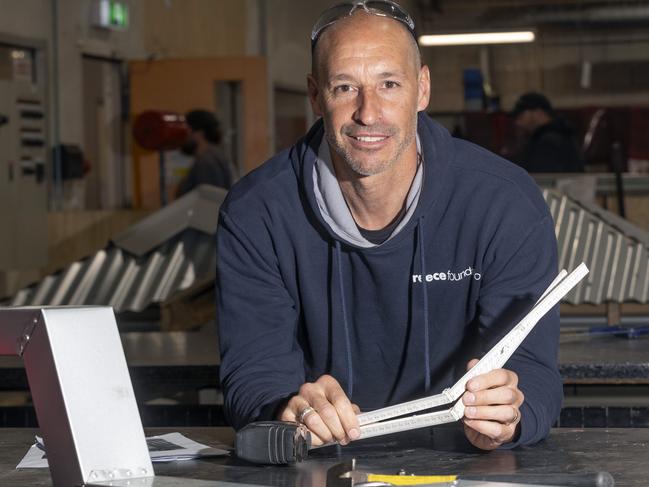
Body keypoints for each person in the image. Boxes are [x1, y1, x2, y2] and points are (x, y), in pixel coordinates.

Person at [217, 0, 562, 452]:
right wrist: (287, 411)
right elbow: (253, 376)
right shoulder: (256, 213)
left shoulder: (503, 202)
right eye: (344, 87)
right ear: (316, 95)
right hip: (323, 464)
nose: (368, 112)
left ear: (422, 89)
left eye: (389, 84)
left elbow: (534, 371)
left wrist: (509, 417)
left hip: (466, 462)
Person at [509, 92, 583, 173]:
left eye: (520, 116)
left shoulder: (550, 142)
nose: (518, 123)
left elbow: (543, 177)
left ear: (538, 112)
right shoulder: (559, 135)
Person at [175, 109, 236, 197]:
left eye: (186, 132)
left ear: (199, 134)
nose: (183, 138)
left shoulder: (206, 162)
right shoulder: (216, 155)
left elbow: (209, 200)